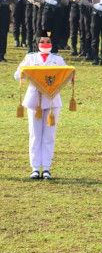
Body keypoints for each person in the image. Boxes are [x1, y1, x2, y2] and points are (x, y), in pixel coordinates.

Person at [14, 32, 66, 180]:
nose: (45, 44)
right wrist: (26, 71)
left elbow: (66, 75)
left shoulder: (57, 59)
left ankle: (47, 168)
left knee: (49, 135)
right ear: (37, 43)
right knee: (35, 135)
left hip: (52, 101)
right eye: (42, 41)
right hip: (34, 100)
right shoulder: (30, 58)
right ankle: (35, 168)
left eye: (48, 41)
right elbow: (17, 75)